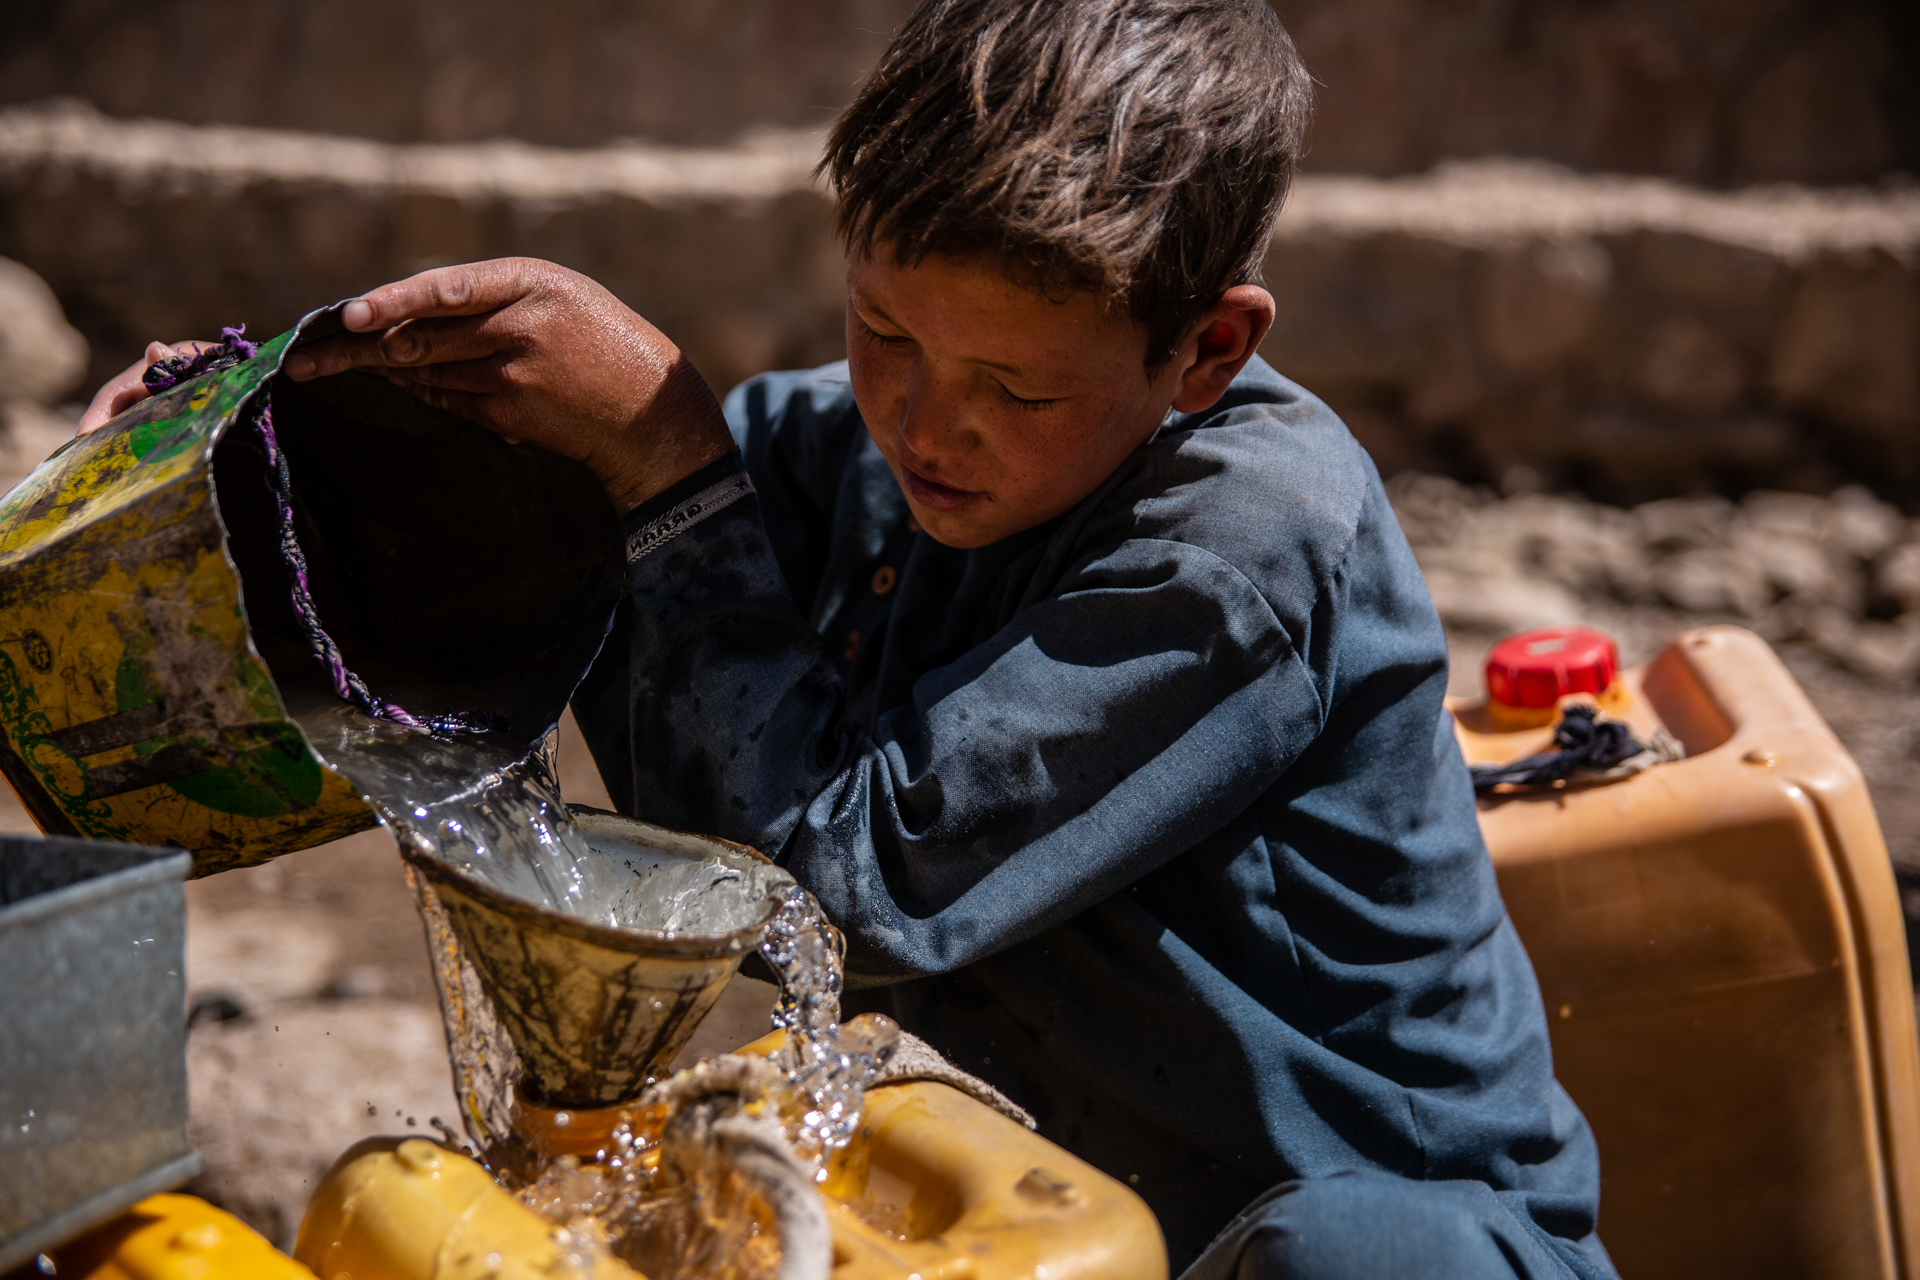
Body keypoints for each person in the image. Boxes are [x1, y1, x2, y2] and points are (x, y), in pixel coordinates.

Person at [83, 1, 1616, 1275]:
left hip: (1356, 1225)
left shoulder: (1247, 540)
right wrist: (228, 467)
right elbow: (479, 617)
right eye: (883, 331)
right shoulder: (837, 454)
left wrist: (669, 471)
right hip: (1045, 1209)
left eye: (1017, 389)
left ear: (1205, 349)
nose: (926, 426)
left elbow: (843, 900)